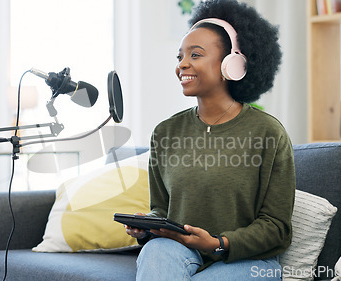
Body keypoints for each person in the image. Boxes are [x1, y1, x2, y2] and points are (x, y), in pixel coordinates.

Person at [124, 0, 296, 280]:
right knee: (154, 253)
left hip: (249, 260)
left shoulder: (268, 133)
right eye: (179, 56)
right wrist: (148, 227)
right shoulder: (165, 133)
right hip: (179, 251)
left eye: (196, 55)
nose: (182, 65)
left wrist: (217, 244)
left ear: (232, 64)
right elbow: (162, 209)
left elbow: (277, 228)